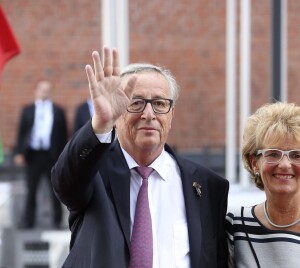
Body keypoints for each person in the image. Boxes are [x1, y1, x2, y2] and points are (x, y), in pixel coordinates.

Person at [52, 47, 229, 268]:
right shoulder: (92, 172)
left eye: (160, 103)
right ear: (118, 114)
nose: (148, 114)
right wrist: (100, 123)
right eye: (135, 103)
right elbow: (64, 182)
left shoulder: (206, 185)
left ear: (171, 115)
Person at [226, 102, 300, 268]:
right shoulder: (235, 226)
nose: (285, 164)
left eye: (296, 155)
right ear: (254, 163)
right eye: (273, 154)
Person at [14, 80, 68, 229]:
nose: (45, 92)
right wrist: (19, 152)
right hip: (33, 155)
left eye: (47, 90)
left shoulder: (58, 111)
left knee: (55, 189)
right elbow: (21, 132)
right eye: (42, 89)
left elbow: (63, 135)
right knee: (31, 189)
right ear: (36, 91)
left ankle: (57, 221)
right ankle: (28, 221)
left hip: (52, 155)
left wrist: (64, 156)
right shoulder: (28, 110)